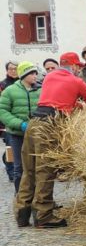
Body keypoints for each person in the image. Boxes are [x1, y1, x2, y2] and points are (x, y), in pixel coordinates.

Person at [14, 52, 86, 228]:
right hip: (50, 124)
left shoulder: (49, 76)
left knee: (29, 169)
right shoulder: (77, 81)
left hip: (33, 122)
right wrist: (83, 101)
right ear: (74, 66)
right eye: (77, 67)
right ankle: (43, 216)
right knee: (45, 170)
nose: (78, 70)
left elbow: (55, 97)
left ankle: (22, 212)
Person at [0, 60, 41, 193]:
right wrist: (20, 124)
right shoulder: (9, 91)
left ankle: (36, 197)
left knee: (36, 167)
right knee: (19, 167)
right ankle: (20, 198)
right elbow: (3, 111)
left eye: (35, 73)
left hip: (36, 134)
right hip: (17, 135)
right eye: (32, 73)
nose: (35, 76)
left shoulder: (40, 89)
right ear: (23, 75)